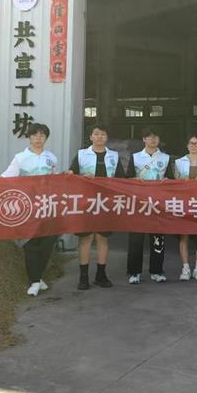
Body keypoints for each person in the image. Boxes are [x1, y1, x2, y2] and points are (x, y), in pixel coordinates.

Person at [0, 123, 58, 297]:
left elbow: (54, 179)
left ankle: (38, 277)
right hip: (28, 206)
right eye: (35, 135)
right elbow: (6, 177)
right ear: (29, 138)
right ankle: (34, 281)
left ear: (46, 138)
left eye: (42, 135)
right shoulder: (21, 158)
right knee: (31, 243)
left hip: (46, 205)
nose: (38, 138)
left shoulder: (51, 157)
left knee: (48, 241)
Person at [68, 124, 125, 291]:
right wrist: (78, 175)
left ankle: (101, 275)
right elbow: (72, 175)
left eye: (103, 134)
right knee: (85, 239)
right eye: (96, 134)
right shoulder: (81, 155)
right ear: (91, 137)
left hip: (106, 202)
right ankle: (83, 277)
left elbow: (121, 179)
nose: (100, 137)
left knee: (102, 238)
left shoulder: (114, 156)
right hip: (86, 201)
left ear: (107, 137)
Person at [126, 127, 172, 284]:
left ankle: (157, 271)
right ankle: (134, 272)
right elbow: (127, 178)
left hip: (158, 203)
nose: (153, 139)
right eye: (149, 137)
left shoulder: (165, 158)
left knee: (158, 239)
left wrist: (168, 181)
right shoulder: (136, 157)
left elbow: (171, 179)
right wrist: (134, 180)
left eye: (155, 137)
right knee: (136, 239)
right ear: (144, 139)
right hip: (139, 203)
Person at [174, 135, 197, 281]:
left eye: (196, 143)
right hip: (184, 202)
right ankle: (185, 268)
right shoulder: (179, 162)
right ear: (187, 146)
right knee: (184, 234)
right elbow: (174, 183)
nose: (194, 145)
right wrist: (181, 180)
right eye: (191, 143)